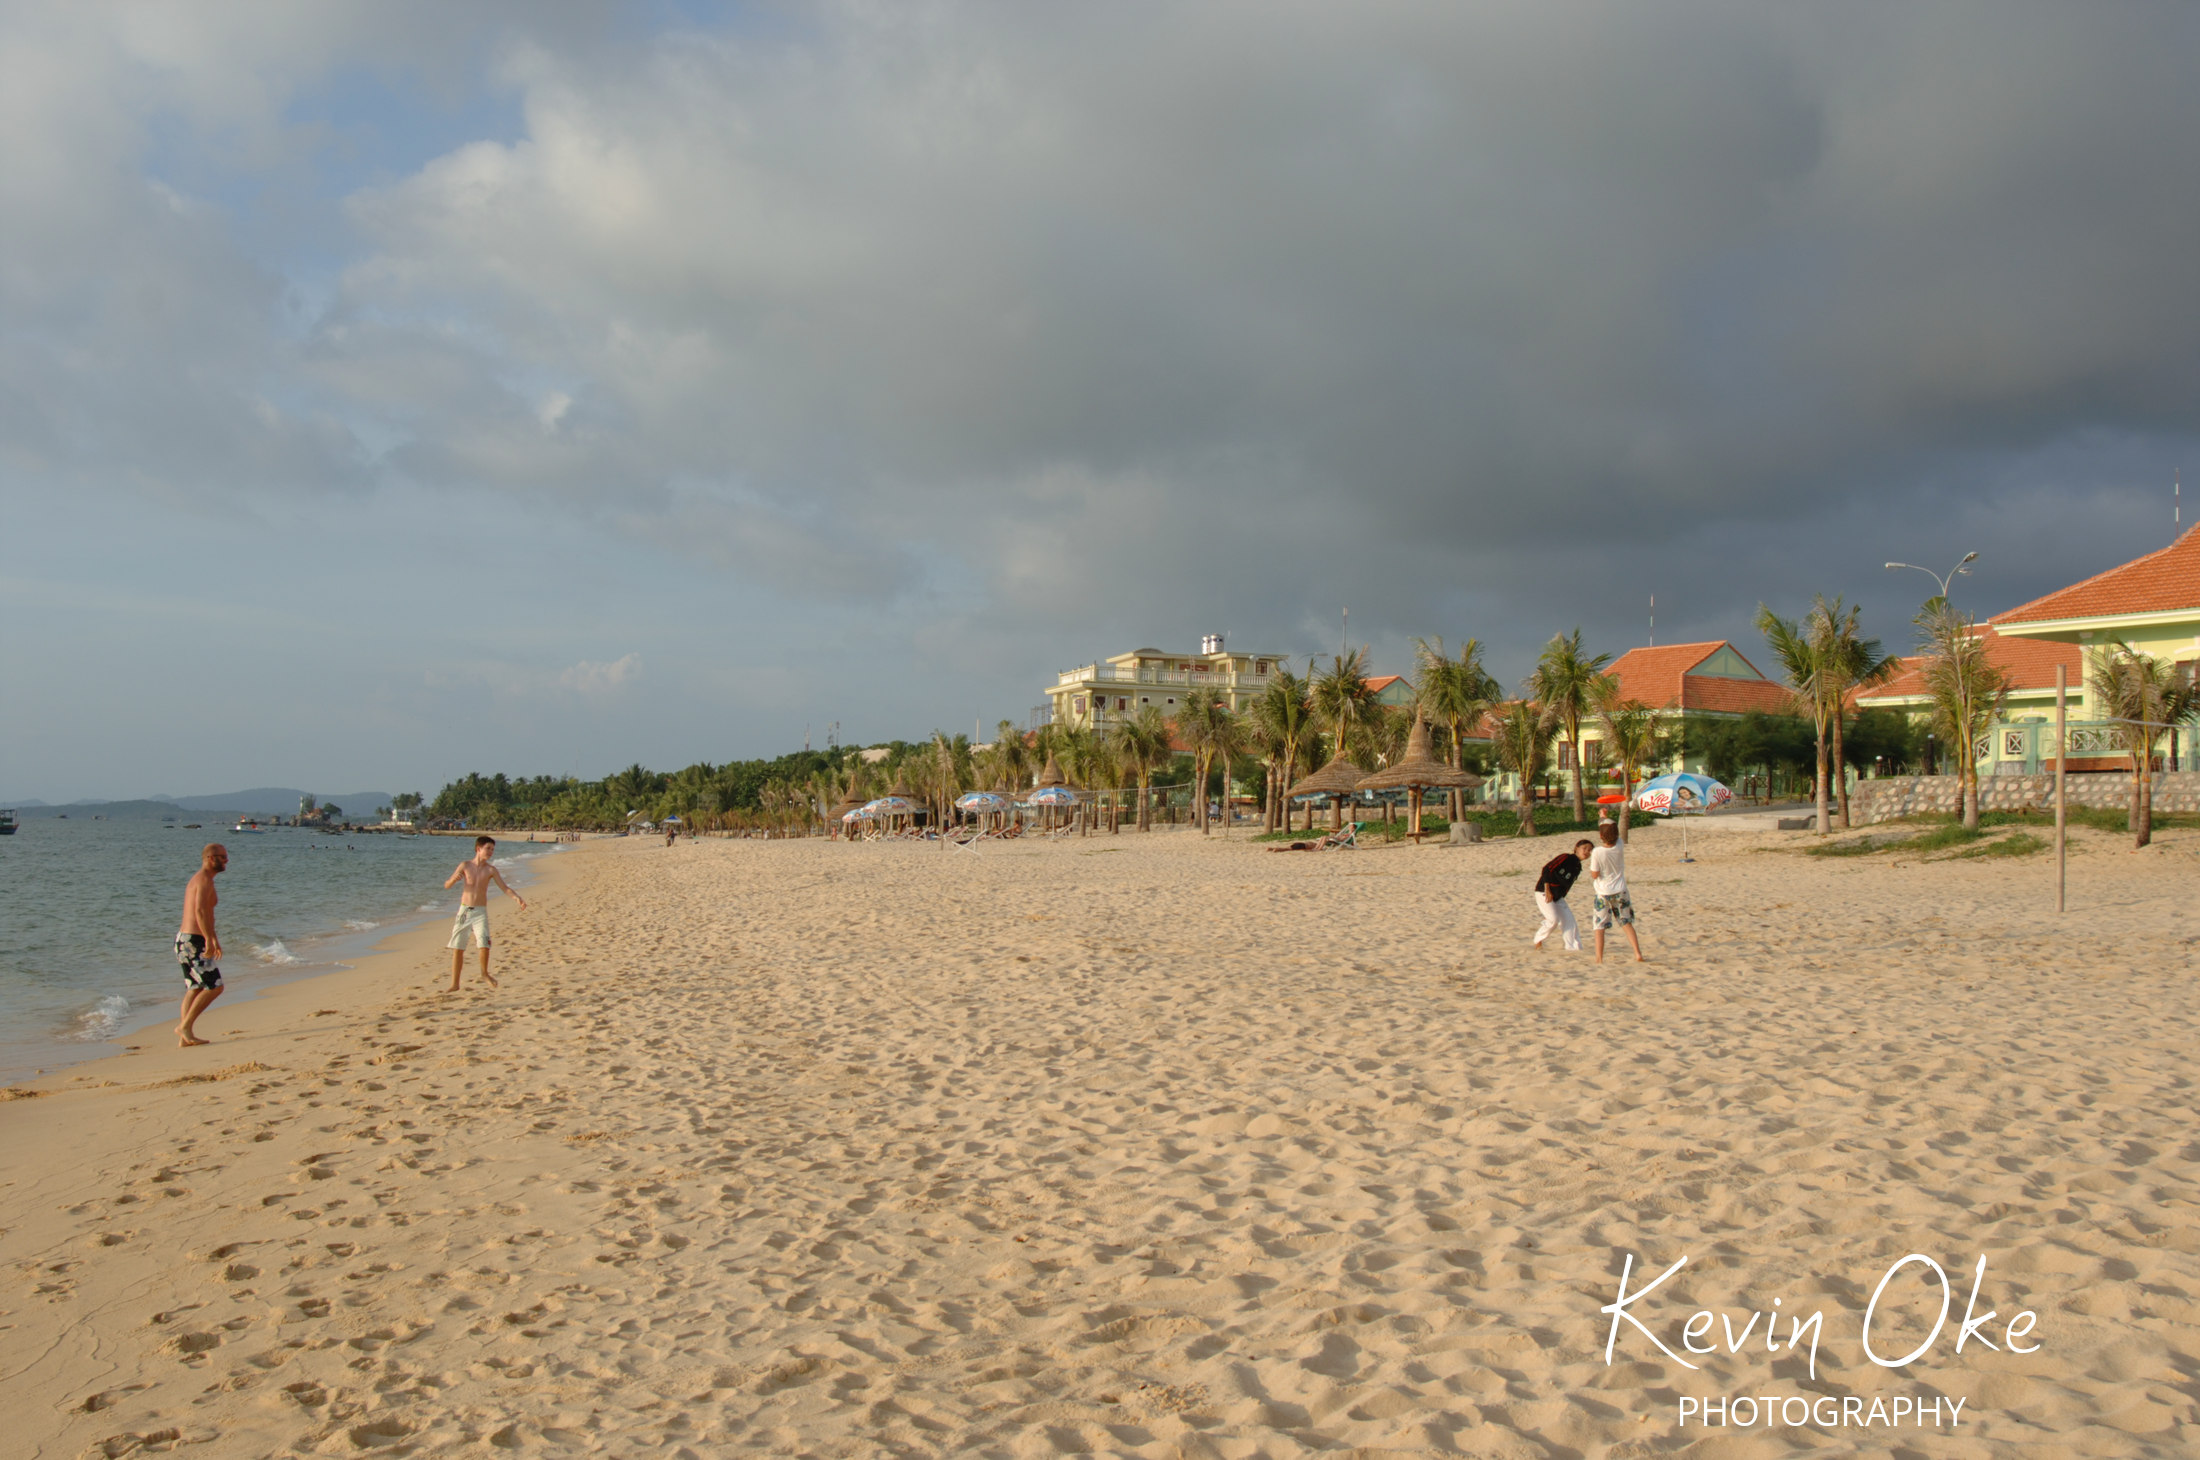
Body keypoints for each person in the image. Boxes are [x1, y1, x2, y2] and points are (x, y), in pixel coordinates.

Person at [443, 836, 527, 991]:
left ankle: (484, 973)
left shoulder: (491, 870)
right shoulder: (465, 865)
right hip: (464, 911)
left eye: (493, 849)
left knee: (484, 943)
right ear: (478, 849)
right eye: (488, 848)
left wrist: (517, 898)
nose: (491, 852)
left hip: (480, 912)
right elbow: (446, 885)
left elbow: (504, 887)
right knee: (458, 947)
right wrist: (454, 880)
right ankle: (455, 983)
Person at [174, 843, 228, 1047]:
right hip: (193, 941)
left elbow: (208, 914)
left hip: (185, 940)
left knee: (195, 987)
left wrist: (214, 939)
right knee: (215, 987)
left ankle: (185, 1036)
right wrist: (207, 939)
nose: (226, 860)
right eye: (222, 857)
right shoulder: (203, 880)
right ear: (210, 858)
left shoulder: (203, 879)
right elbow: (200, 912)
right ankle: (185, 1027)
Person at [1589, 820, 1645, 964]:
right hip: (1620, 890)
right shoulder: (1619, 845)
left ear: (1601, 836)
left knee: (1599, 926)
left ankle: (1599, 958)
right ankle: (1637, 953)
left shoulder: (1597, 852)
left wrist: (1602, 818)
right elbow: (1612, 832)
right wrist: (1604, 817)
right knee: (1626, 922)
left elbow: (1594, 874)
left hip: (1603, 892)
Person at [1532, 839, 1594, 952]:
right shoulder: (1566, 857)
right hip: (1543, 892)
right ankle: (1538, 940)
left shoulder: (1578, 867)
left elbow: (1566, 886)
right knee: (1553, 920)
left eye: (1589, 850)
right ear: (1576, 848)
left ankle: (1573, 948)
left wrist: (1559, 899)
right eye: (1584, 848)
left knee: (1569, 921)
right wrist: (1547, 889)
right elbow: (1547, 869)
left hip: (1558, 897)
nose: (1586, 852)